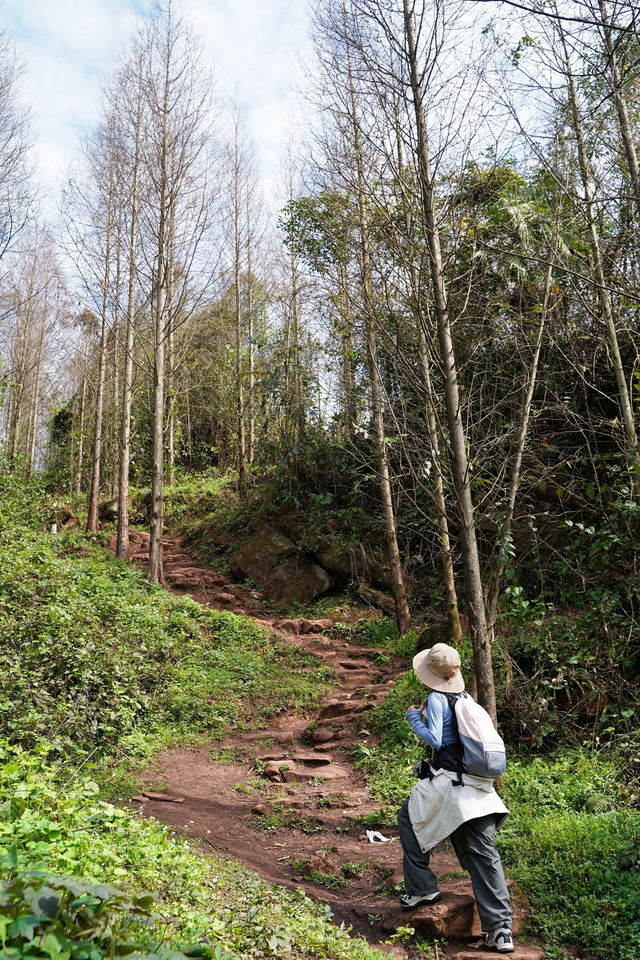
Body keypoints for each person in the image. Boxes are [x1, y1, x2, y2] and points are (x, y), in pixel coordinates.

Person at [396, 642, 514, 954]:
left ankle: (421, 889)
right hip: (478, 787)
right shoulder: (464, 698)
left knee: (408, 815)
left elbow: (435, 740)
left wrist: (414, 719)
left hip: (452, 785)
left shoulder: (436, 698)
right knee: (484, 855)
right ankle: (501, 930)